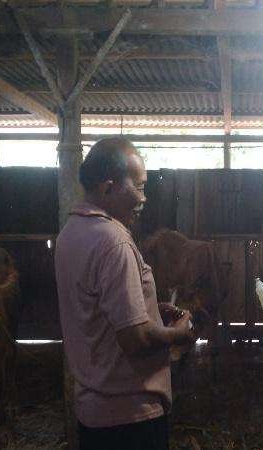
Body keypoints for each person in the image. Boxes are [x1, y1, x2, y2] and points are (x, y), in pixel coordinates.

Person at [55, 137, 195, 450]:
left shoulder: (71, 232)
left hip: (94, 410)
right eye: (140, 187)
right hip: (130, 415)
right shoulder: (113, 241)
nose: (144, 198)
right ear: (108, 188)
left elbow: (96, 308)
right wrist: (178, 334)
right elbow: (136, 338)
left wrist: (147, 306)